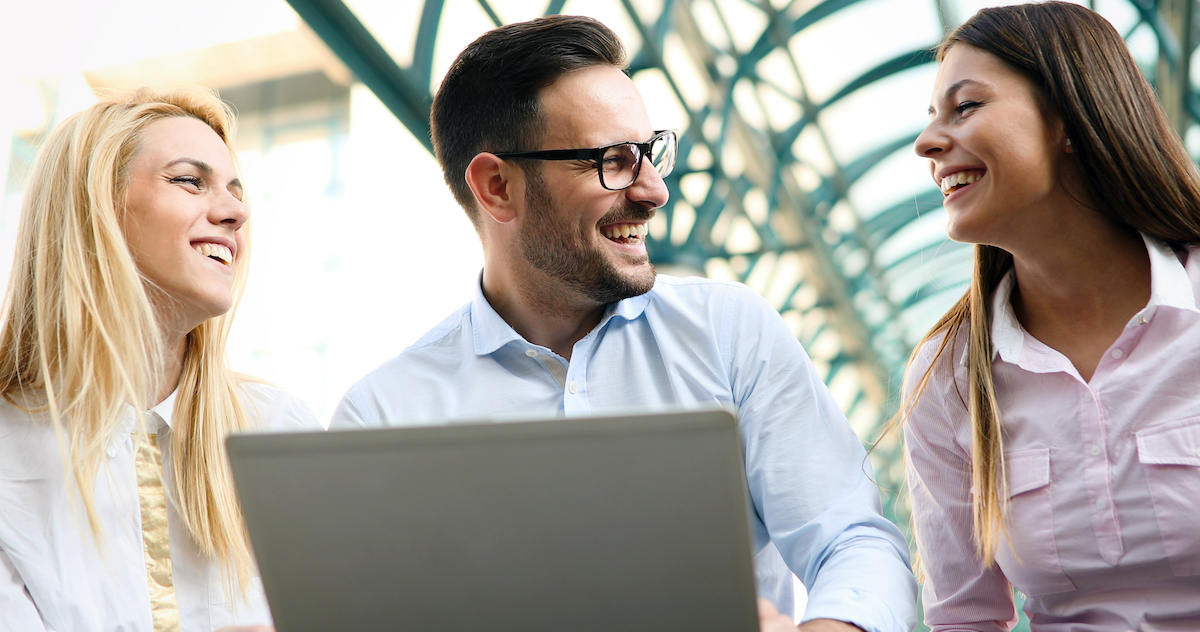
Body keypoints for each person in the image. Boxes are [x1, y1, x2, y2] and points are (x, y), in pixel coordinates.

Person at [330, 15, 916, 632]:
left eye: (650, 152)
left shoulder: (729, 332)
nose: (655, 190)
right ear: (497, 186)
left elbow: (853, 542)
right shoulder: (383, 417)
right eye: (611, 160)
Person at [905, 2, 1200, 630]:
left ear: (1070, 116)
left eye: (967, 107)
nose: (927, 142)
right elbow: (963, 619)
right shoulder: (950, 375)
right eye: (933, 117)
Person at [0, 88, 320, 631]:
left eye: (236, 191)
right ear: (95, 207)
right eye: (189, 180)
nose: (236, 212)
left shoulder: (279, 430)